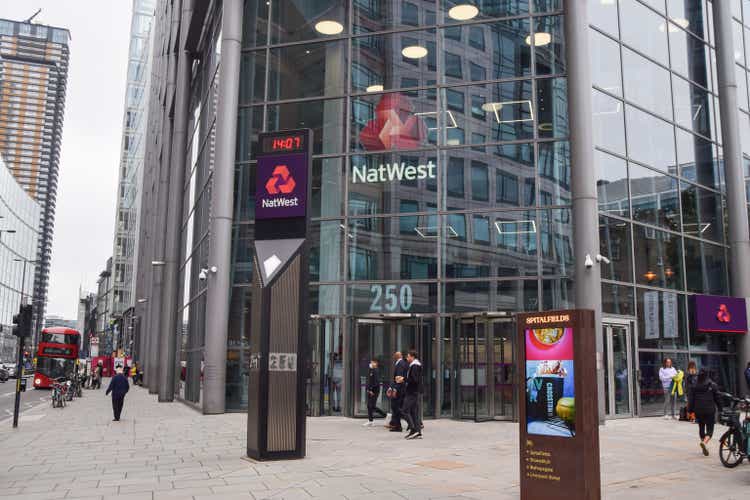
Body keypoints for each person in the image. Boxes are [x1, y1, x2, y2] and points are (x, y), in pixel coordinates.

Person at [687, 369, 721, 456]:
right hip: (709, 410)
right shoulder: (712, 385)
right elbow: (717, 398)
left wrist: (689, 411)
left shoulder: (694, 385)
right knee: (710, 429)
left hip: (698, 410)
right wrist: (721, 408)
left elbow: (691, 400)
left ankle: (703, 442)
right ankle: (705, 442)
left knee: (701, 427)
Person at [401, 350, 423, 440]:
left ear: (412, 357)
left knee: (405, 410)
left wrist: (403, 379)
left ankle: (413, 429)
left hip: (412, 392)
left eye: (408, 356)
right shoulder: (415, 365)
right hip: (414, 391)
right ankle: (418, 432)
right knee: (414, 412)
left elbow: (414, 380)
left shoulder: (414, 366)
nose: (407, 358)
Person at [388, 351, 408, 432]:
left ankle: (411, 423)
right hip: (400, 388)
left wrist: (395, 389)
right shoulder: (401, 363)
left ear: (397, 356)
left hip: (399, 389)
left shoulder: (400, 364)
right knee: (396, 407)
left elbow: (398, 378)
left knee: (397, 407)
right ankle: (396, 424)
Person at [363, 358, 387, 426]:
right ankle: (371, 420)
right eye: (370, 362)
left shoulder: (376, 371)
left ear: (376, 363)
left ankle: (384, 415)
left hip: (374, 391)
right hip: (370, 390)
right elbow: (369, 380)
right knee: (370, 406)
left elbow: (376, 382)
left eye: (372, 362)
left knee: (371, 406)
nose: (370, 364)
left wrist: (371, 389)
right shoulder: (372, 370)